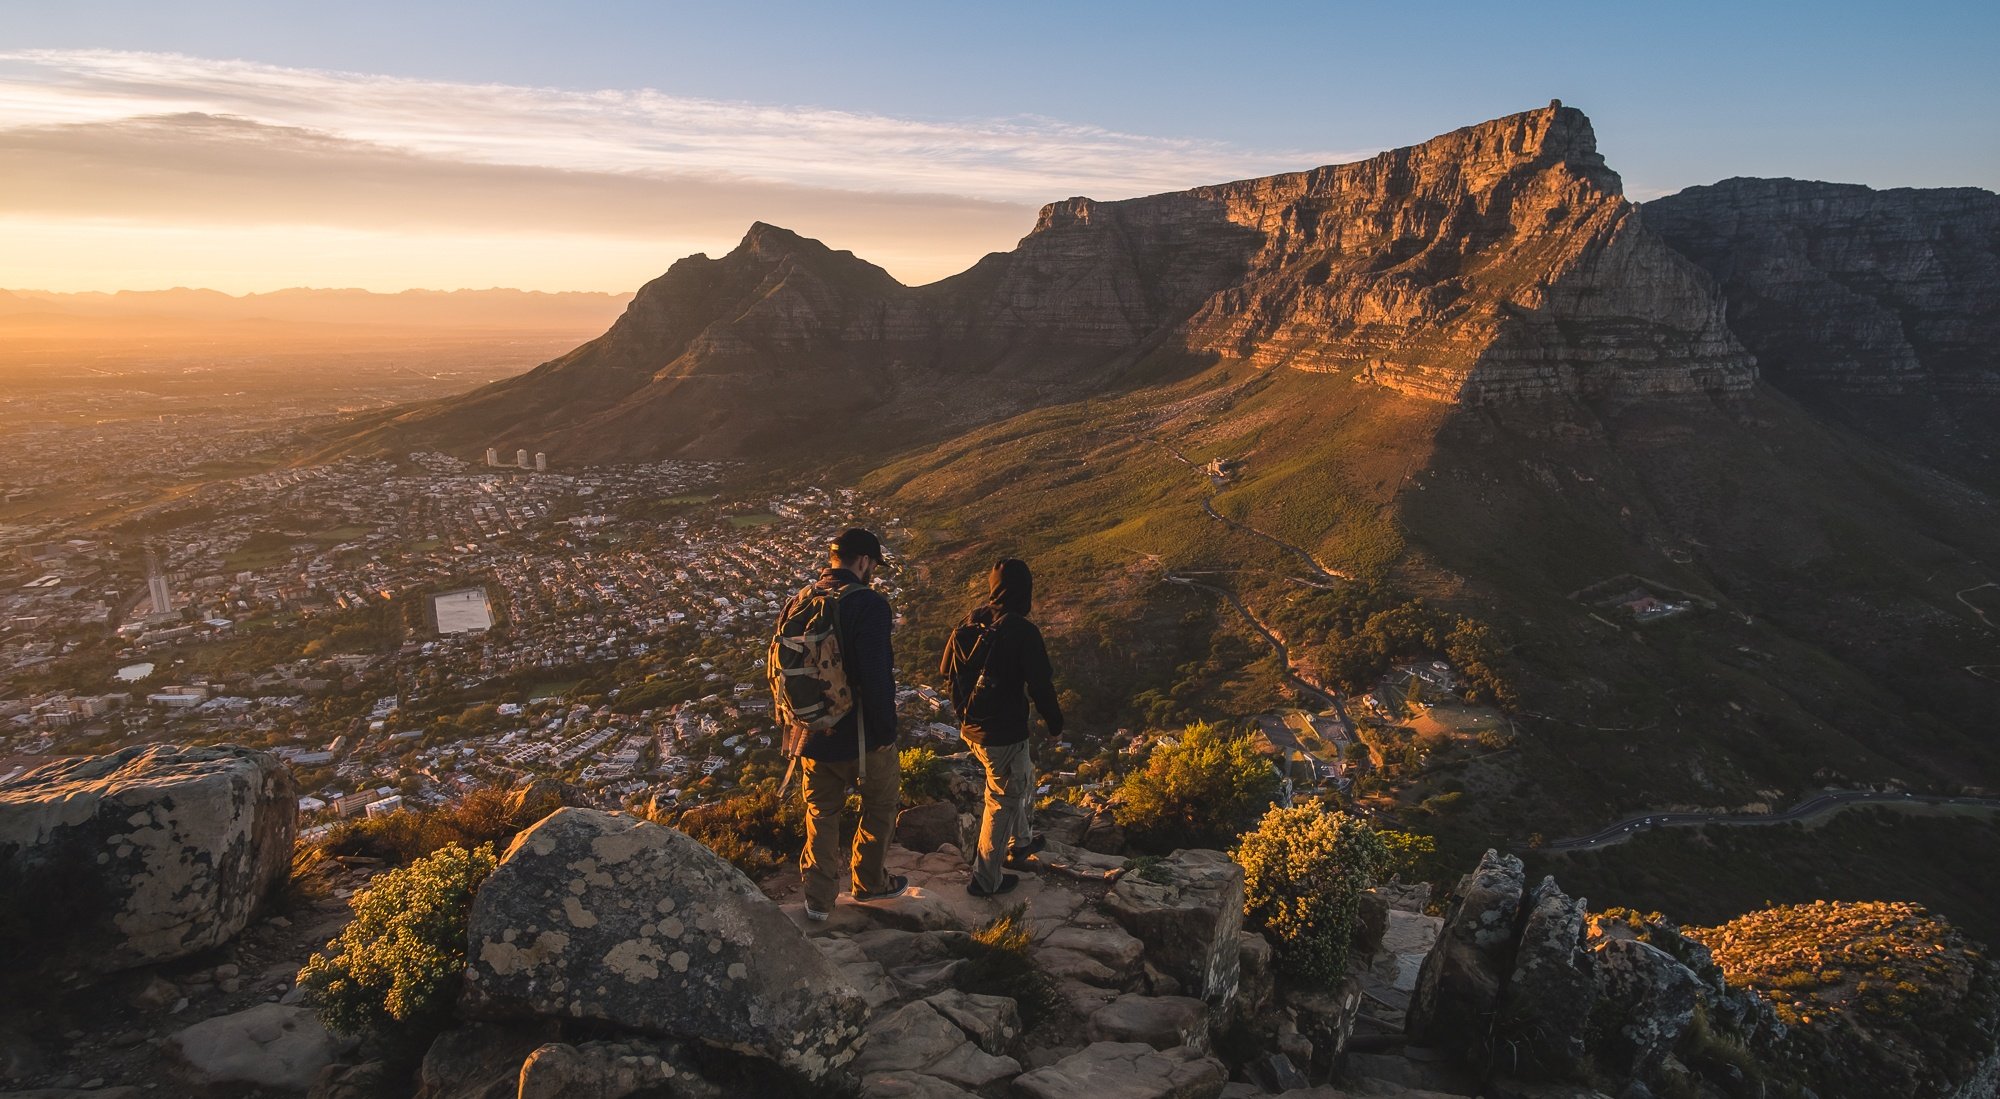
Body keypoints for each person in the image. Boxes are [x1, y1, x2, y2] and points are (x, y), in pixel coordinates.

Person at [798, 527, 905, 921]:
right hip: (859, 735)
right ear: (863, 561)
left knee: (821, 814)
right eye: (874, 564)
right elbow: (877, 676)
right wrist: (885, 732)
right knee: (879, 805)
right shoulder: (868, 604)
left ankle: (818, 900)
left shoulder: (802, 600)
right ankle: (869, 882)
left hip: (810, 735)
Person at [946, 557, 1064, 897]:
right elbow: (1041, 686)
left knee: (1019, 777)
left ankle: (1021, 841)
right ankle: (986, 879)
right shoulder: (1022, 632)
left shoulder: (970, 623)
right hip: (1004, 731)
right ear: (1024, 592)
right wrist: (1055, 725)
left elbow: (947, 671)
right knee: (1002, 797)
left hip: (972, 727)